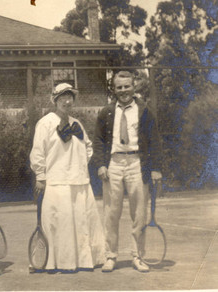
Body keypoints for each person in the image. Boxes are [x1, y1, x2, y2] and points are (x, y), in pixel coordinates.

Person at [29, 83, 105, 273]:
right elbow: (38, 151)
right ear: (55, 100)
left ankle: (84, 261)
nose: (67, 101)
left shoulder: (77, 124)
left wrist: (78, 164)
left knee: (81, 221)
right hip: (56, 183)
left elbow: (88, 147)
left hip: (79, 182)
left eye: (70, 97)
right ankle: (58, 262)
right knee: (58, 223)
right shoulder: (45, 123)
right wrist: (41, 175)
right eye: (62, 97)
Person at [92, 70, 162, 273]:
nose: (123, 91)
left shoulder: (145, 110)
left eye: (127, 86)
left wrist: (156, 168)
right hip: (113, 164)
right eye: (119, 87)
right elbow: (98, 140)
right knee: (111, 213)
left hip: (137, 163)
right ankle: (111, 256)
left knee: (139, 213)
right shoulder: (106, 112)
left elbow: (155, 139)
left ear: (134, 87)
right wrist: (101, 164)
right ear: (114, 89)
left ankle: (138, 256)